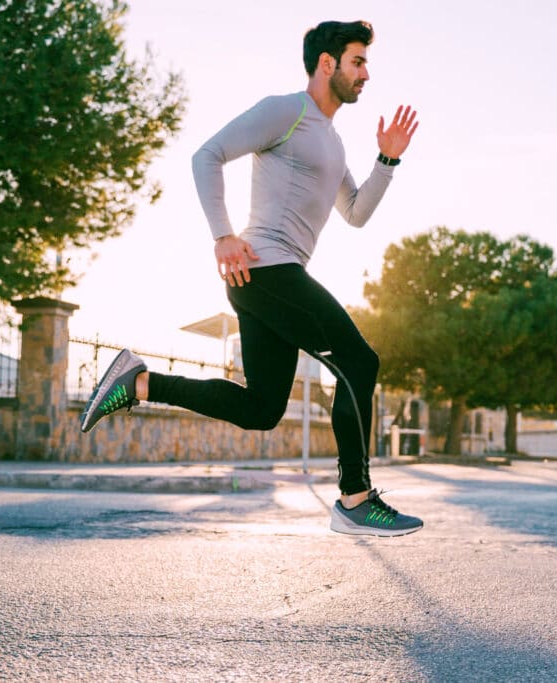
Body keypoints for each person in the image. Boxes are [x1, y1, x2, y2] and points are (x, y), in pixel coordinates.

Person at [79, 20, 422, 537]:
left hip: (273, 279)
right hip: (264, 269)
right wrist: (223, 235)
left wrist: (388, 159)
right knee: (359, 360)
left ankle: (139, 380)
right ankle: (355, 497)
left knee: (262, 409)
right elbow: (206, 156)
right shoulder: (286, 111)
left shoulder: (331, 141)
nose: (366, 74)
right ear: (326, 64)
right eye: (357, 61)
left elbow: (355, 212)